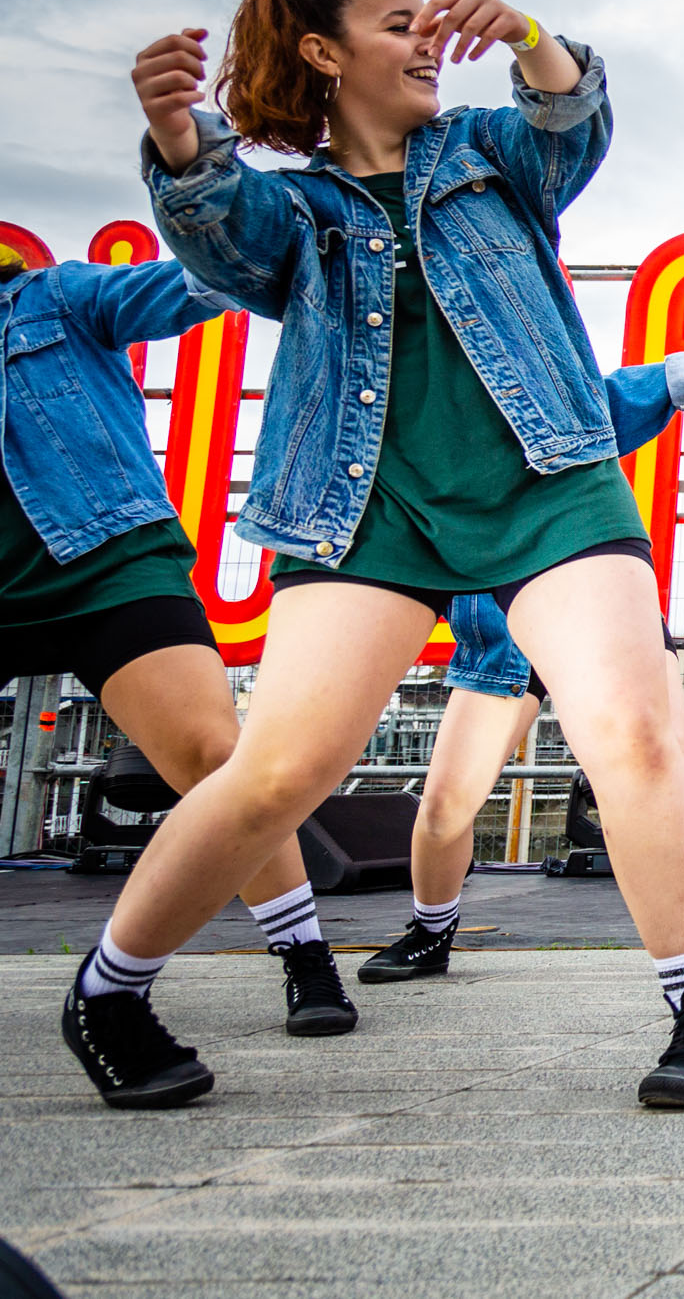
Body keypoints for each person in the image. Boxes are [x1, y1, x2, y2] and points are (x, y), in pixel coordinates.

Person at [67, 0, 684, 1112]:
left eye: (428, 20)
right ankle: (111, 993)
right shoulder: (297, 212)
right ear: (325, 53)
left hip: (549, 484)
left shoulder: (486, 153)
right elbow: (217, 230)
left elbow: (570, 115)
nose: (426, 38)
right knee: (278, 771)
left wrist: (528, 32)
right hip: (361, 505)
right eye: (394, 24)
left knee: (633, 736)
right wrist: (177, 134)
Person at [3, 244, 361, 1063]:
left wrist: (250, 220)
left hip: (105, 561)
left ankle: (305, 957)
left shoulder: (55, 296)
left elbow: (204, 277)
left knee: (217, 756)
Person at [358, 353, 684, 988]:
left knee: (671, 759)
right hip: (497, 635)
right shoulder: (406, 435)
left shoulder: (532, 393)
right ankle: (431, 931)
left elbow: (613, 396)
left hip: (590, 609)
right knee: (446, 803)